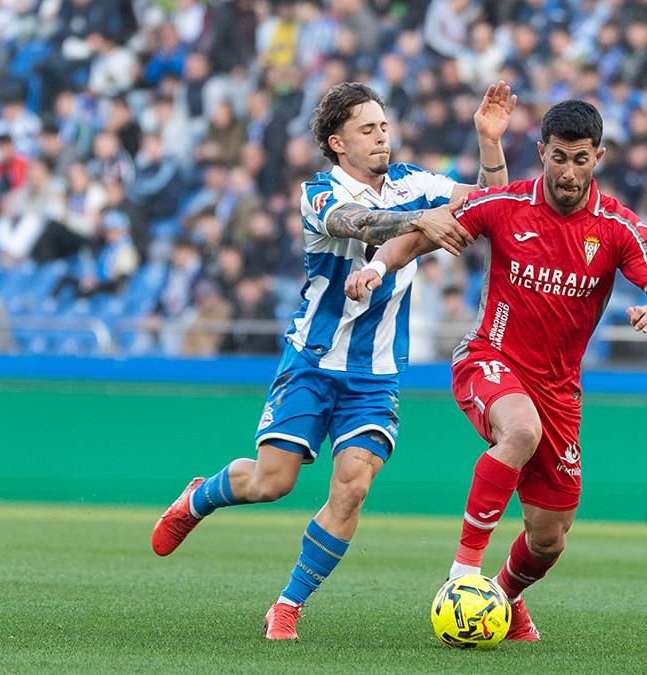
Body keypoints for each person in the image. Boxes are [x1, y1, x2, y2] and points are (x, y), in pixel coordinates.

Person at [149, 80, 517, 641]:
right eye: (367, 130)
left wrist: (490, 142)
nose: (381, 138)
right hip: (313, 361)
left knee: (353, 486)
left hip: (375, 373)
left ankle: (288, 604)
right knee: (272, 482)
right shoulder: (318, 193)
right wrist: (420, 221)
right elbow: (358, 224)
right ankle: (199, 497)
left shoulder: (415, 182)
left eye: (384, 126)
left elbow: (500, 205)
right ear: (337, 143)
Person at [345, 100, 647, 641]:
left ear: (598, 157)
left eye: (580, 159)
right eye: (559, 158)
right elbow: (423, 235)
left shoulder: (619, 228)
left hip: (560, 391)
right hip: (490, 356)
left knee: (549, 538)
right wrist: (377, 265)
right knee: (521, 431)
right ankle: (463, 572)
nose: (568, 172)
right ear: (542, 152)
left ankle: (502, 598)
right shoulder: (505, 204)